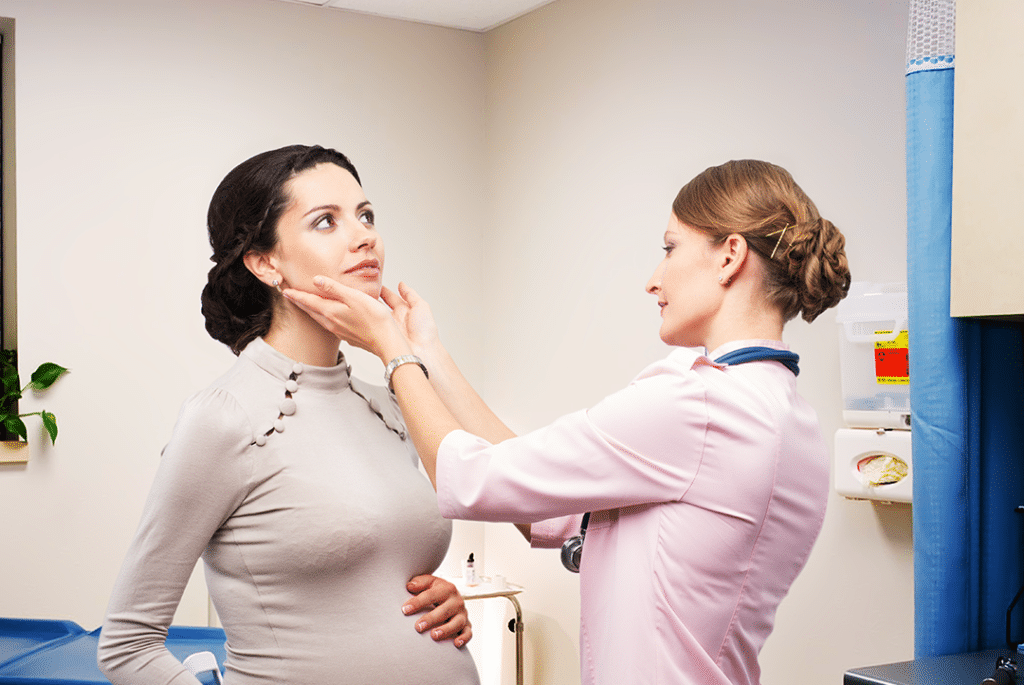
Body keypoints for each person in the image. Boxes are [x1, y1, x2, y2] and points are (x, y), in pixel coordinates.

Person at [282, 159, 851, 685]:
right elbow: (540, 503)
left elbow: (475, 481)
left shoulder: (695, 405)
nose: (654, 279)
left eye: (670, 248)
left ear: (729, 255)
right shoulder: (785, 413)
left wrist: (390, 348)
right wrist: (428, 353)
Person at [98, 145, 479, 685]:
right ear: (265, 262)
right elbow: (128, 645)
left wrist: (436, 604)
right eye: (326, 221)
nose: (364, 235)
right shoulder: (225, 418)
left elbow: (365, 583)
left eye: (365, 215)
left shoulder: (390, 403)